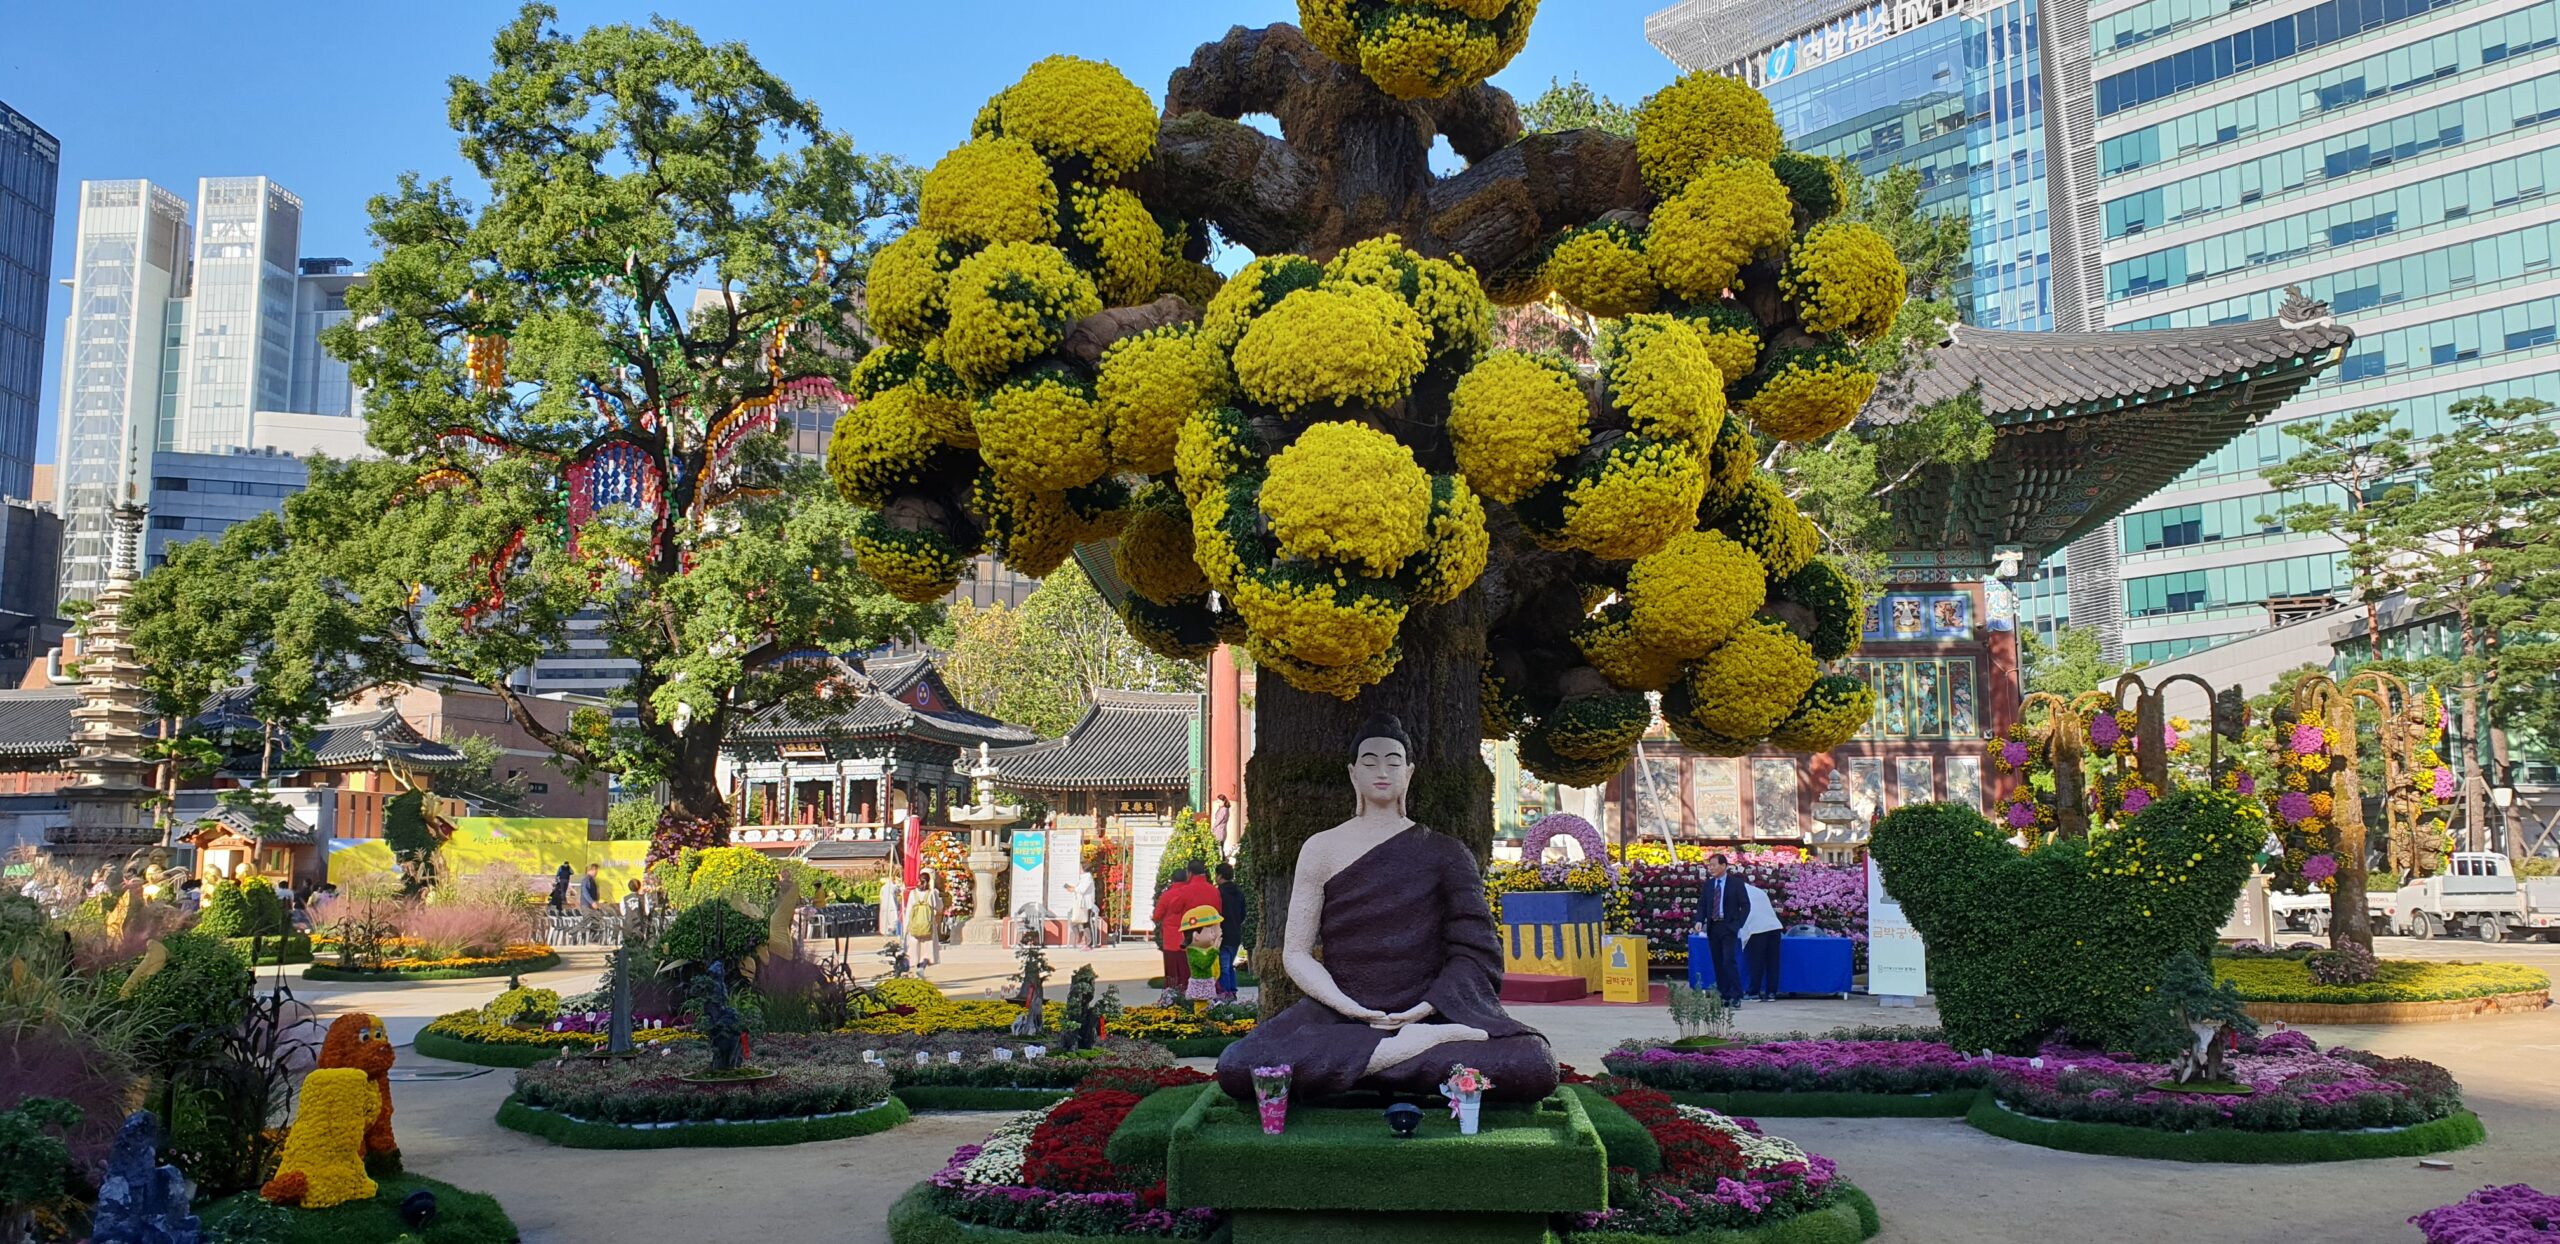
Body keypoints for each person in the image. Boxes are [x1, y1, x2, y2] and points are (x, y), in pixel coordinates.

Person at [1214, 715, 1556, 1105]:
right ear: (1353, 773)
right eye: (1370, 762)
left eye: (1393, 762)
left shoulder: (1445, 852)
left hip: (1429, 1013)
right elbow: (1295, 952)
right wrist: (1350, 1007)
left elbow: (1475, 952)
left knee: (1532, 1063)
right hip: (1341, 1014)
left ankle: (1364, 1063)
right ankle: (1402, 1053)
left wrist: (1425, 1010)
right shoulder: (1321, 849)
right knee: (1240, 1065)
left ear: (1408, 773)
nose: (1382, 771)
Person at [1152, 861, 1219, 1003]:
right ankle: (1211, 1000)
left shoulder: (1179, 893)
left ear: (1190, 873)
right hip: (1208, 938)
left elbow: (1166, 912)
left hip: (1178, 939)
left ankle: (1175, 1000)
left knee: (1177, 976)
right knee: (1206, 971)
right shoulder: (1213, 890)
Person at [1692, 853, 1750, 1008]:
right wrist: (1699, 920)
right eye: (1709, 865)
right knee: (1718, 962)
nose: (1710, 868)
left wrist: (1738, 924)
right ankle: (1723, 995)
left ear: (1723, 866)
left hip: (1728, 927)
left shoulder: (1736, 884)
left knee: (1728, 961)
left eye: (1713, 865)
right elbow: (1702, 905)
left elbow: (1745, 906)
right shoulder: (1709, 885)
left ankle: (1736, 995)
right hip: (1713, 927)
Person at [1740, 878, 1783, 1003]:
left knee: (1757, 962)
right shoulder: (1758, 891)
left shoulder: (1736, 892)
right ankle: (1771, 993)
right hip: (1774, 927)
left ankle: (1754, 993)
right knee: (1772, 962)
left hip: (1757, 929)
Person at [1214, 861, 1249, 1001]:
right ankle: (1232, 991)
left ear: (1220, 876)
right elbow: (1242, 914)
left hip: (1223, 933)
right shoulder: (1239, 892)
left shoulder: (1219, 893)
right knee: (1229, 966)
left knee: (1223, 966)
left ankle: (1225, 993)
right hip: (1235, 933)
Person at [1180, 905, 1224, 1003]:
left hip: (1205, 983)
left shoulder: (1201, 950)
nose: (1214, 934)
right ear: (1196, 936)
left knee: (1206, 1005)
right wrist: (1214, 950)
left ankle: (1203, 1016)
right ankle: (1200, 1018)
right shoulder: (1193, 953)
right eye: (1211, 931)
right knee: (1201, 1006)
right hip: (1200, 985)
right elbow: (1204, 963)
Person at [906, 872, 942, 969]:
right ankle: (926, 961)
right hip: (928, 923)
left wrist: (906, 927)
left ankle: (915, 961)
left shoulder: (913, 893)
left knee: (915, 943)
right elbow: (939, 907)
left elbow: (908, 910)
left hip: (915, 923)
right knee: (928, 944)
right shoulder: (932, 893)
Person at [1211, 794, 1235, 861]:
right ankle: (1222, 859)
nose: (1218, 803)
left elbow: (1218, 820)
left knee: (1219, 847)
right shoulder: (1223, 809)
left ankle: (1221, 860)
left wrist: (1213, 828)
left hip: (1219, 831)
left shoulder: (1224, 810)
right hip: (1221, 830)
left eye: (1219, 801)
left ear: (1223, 801)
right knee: (1220, 846)